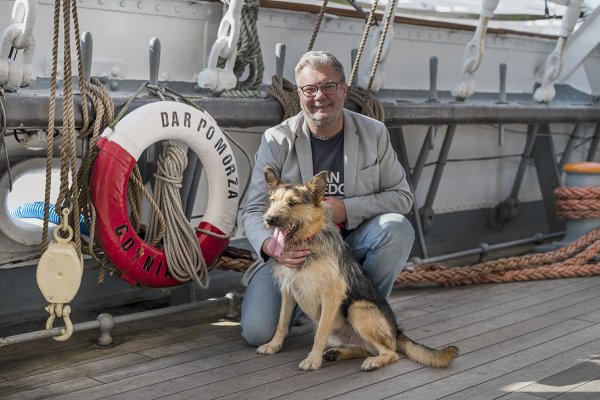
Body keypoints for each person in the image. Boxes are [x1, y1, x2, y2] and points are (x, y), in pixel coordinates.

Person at [240, 50, 415, 346]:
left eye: (328, 86)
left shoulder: (374, 133)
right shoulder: (277, 139)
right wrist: (272, 247)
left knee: (397, 228)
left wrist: (346, 209)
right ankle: (310, 308)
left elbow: (402, 197)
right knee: (257, 333)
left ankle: (358, 320)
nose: (319, 96)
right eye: (310, 89)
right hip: (292, 252)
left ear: (343, 89)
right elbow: (253, 209)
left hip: (349, 248)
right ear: (299, 94)